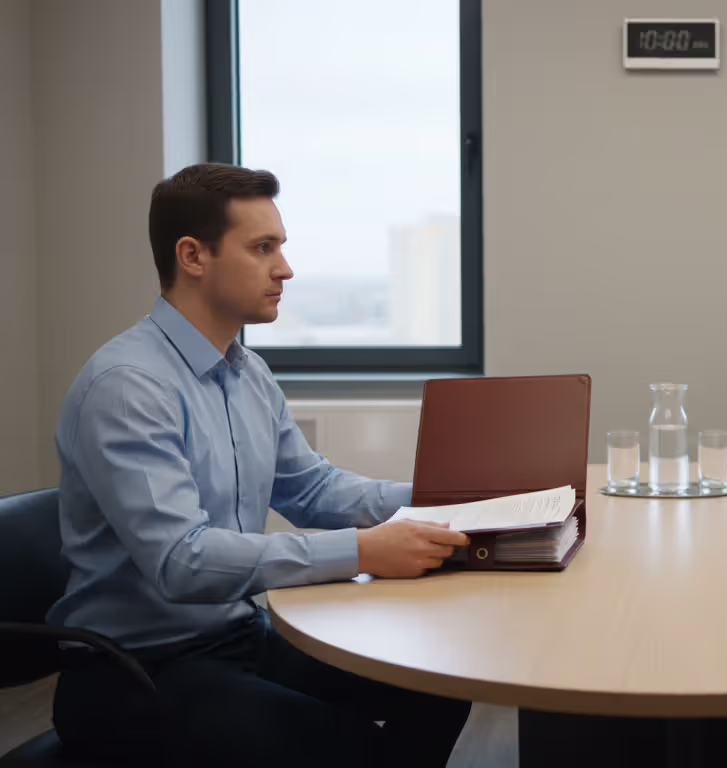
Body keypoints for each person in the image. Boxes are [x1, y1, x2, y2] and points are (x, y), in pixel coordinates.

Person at [48, 163, 473, 767]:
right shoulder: (128, 387)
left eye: (281, 247)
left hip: (236, 638)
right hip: (133, 673)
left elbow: (313, 489)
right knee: (348, 748)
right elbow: (181, 561)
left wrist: (454, 496)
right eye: (263, 248)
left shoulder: (246, 372)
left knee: (439, 684)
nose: (285, 269)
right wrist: (363, 550)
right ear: (193, 256)